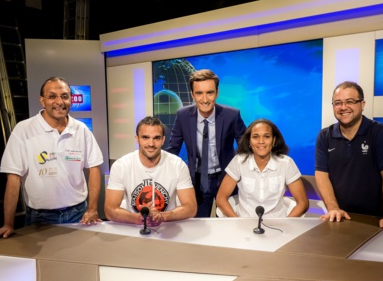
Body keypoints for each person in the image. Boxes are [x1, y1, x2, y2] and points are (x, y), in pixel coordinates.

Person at [0, 76, 104, 241]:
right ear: (42, 100)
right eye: (52, 96)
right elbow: (14, 177)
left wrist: (92, 208)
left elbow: (94, 168)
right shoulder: (24, 130)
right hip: (40, 218)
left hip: (78, 215)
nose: (60, 101)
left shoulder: (81, 129)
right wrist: (8, 223)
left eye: (65, 96)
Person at [314, 81, 383, 233]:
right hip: (339, 218)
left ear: (362, 104)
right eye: (337, 103)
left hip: (375, 220)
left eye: (350, 102)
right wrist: (333, 208)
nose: (343, 107)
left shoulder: (380, 132)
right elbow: (321, 174)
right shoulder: (325, 136)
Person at [166, 69, 246, 217]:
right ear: (192, 94)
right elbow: (173, 150)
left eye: (209, 93)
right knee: (198, 225)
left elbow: (246, 148)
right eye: (199, 93)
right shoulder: (183, 115)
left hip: (227, 178)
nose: (204, 99)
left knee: (228, 226)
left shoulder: (231, 115)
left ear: (217, 93)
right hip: (197, 180)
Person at [104, 116, 197, 226]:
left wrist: (163, 216)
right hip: (134, 227)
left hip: (168, 227)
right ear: (137, 139)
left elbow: (191, 208)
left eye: (156, 138)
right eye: (145, 137)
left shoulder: (178, 165)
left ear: (163, 140)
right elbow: (110, 210)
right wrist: (138, 219)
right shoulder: (121, 166)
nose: (151, 144)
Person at [216, 118, 309, 218]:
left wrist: (285, 224)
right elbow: (221, 198)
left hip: (278, 227)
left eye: (266, 136)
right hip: (244, 226)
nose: (261, 141)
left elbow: (303, 203)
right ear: (249, 141)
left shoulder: (286, 163)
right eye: (255, 137)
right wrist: (237, 221)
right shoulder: (239, 161)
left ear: (273, 140)